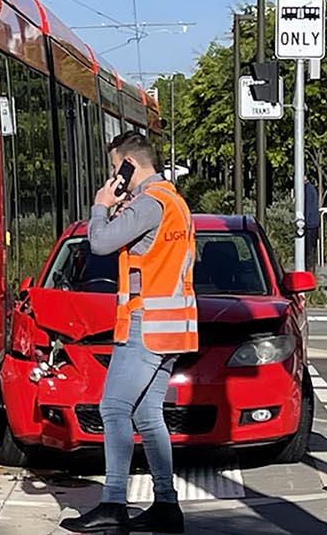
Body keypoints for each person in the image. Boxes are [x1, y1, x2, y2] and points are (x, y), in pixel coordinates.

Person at [63, 132, 197, 535]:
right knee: (147, 414)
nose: (112, 176)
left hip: (146, 326)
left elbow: (100, 243)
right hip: (171, 327)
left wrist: (101, 207)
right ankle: (166, 506)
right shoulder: (173, 202)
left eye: (113, 168)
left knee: (114, 409)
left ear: (129, 167)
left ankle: (114, 504)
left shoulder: (148, 204)